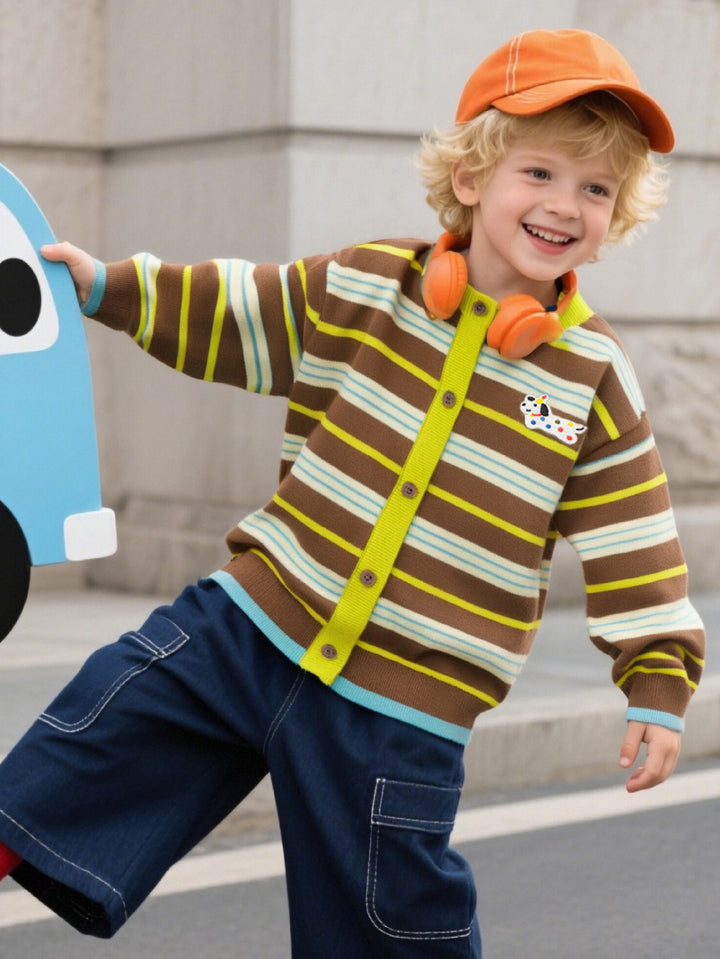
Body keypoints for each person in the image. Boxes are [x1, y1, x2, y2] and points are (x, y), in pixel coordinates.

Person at [0, 28, 705, 957]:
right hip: (252, 625)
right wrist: (108, 289)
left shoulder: (591, 376)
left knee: (389, 914)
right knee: (94, 729)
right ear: (471, 177)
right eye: (539, 173)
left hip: (403, 710)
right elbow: (237, 309)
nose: (564, 205)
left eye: (596, 189)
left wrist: (657, 681)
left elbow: (634, 536)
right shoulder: (367, 284)